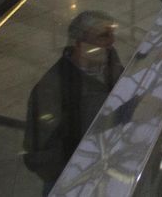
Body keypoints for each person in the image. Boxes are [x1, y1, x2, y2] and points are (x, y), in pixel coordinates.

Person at [23, 10, 124, 194]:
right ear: (79, 44)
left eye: (112, 35)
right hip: (73, 180)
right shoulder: (51, 88)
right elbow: (37, 154)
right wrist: (80, 163)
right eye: (103, 36)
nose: (111, 42)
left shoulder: (111, 63)